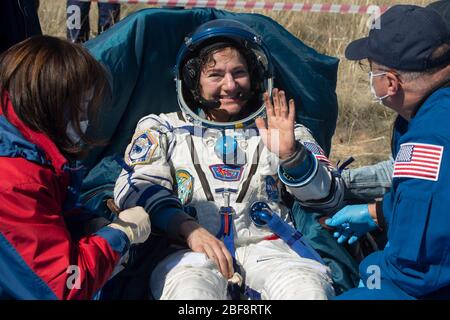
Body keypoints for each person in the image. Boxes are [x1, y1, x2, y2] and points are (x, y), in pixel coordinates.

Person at [114, 19, 347, 300]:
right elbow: (135, 187)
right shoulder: (163, 129)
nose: (230, 84)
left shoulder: (283, 129)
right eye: (215, 75)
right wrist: (185, 227)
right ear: (192, 81)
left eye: (239, 72)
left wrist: (292, 156)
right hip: (189, 251)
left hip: (273, 250)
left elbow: (331, 197)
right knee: (192, 294)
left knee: (307, 290)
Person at [0, 36, 151, 299]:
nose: (86, 122)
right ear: (48, 105)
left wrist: (86, 222)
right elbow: (64, 287)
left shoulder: (27, 151)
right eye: (81, 110)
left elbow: (48, 215)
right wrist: (120, 235)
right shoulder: (15, 183)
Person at [325, 5, 450, 299]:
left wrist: (370, 274)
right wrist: (380, 212)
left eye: (370, 69)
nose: (370, 77)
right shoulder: (430, 110)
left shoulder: (429, 141)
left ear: (391, 83)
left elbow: (415, 272)